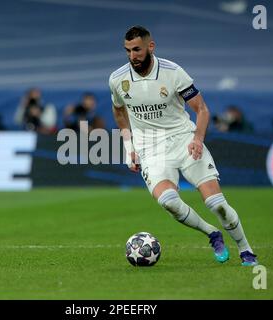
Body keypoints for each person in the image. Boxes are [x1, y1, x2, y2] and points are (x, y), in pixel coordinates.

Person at [109, 25, 258, 266]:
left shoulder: (173, 72)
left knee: (216, 204)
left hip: (184, 140)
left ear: (150, 46)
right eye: (127, 50)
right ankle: (212, 233)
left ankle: (245, 249)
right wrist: (129, 147)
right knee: (169, 202)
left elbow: (202, 109)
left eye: (136, 49)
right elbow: (118, 112)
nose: (132, 56)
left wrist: (198, 139)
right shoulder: (117, 79)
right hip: (151, 147)